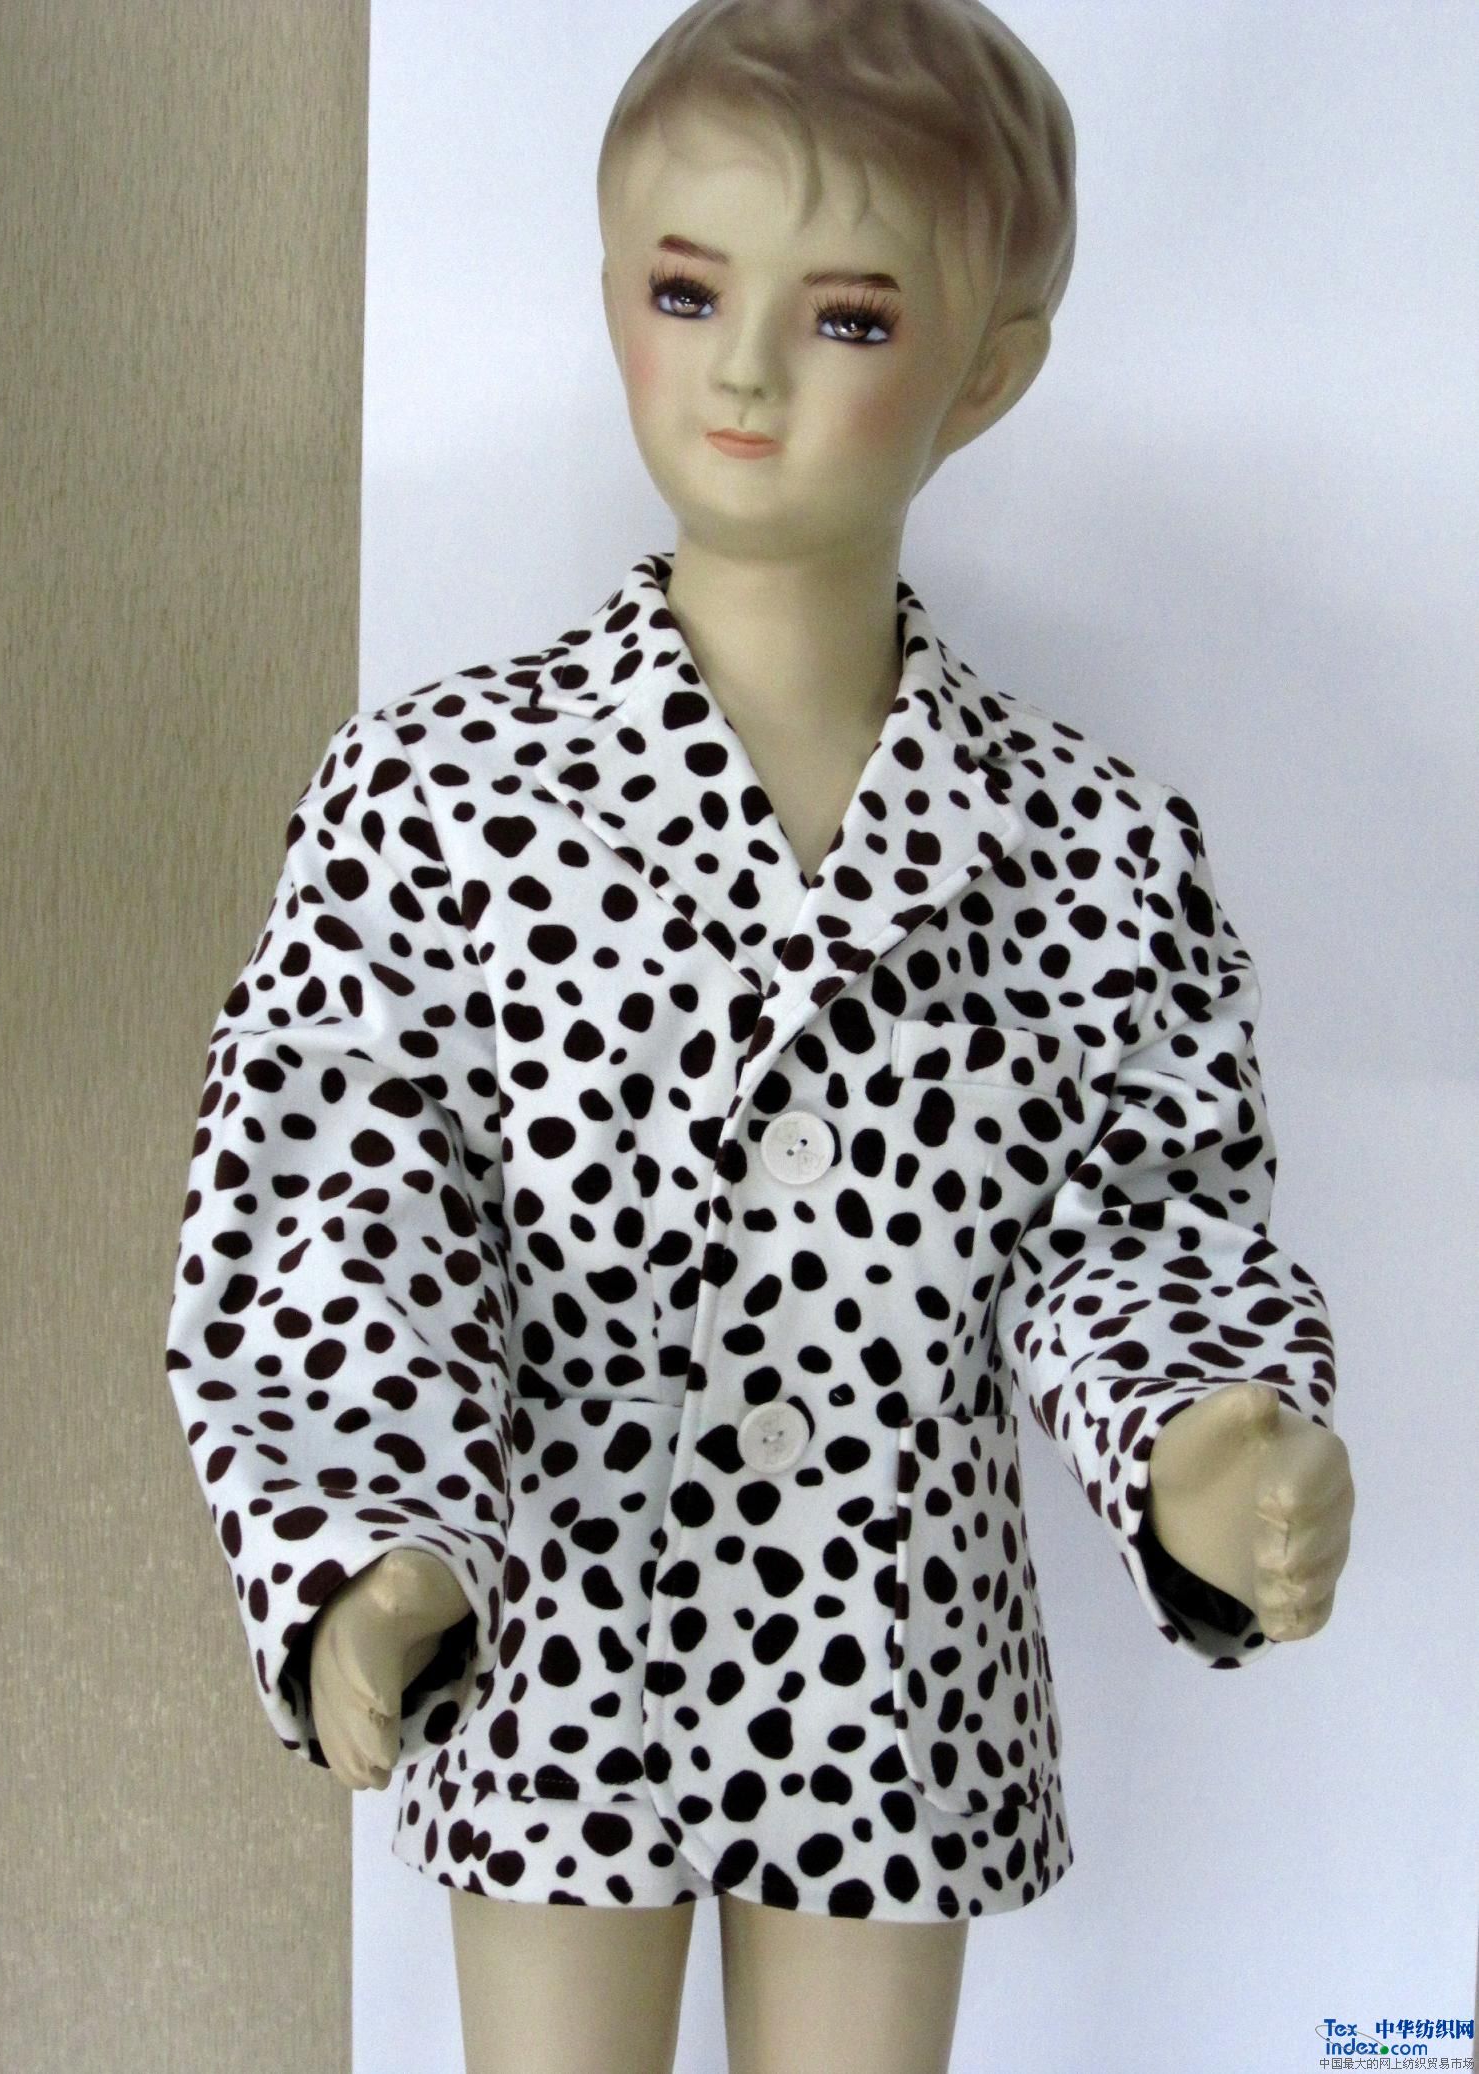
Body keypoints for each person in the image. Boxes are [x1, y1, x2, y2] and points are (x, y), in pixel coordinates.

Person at [164, 4, 1353, 2069]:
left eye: (850, 318)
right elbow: (343, 1194)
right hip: (553, 1639)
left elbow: (1138, 1215)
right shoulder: (443, 795)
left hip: (892, 1653)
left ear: (985, 371)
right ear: (610, 293)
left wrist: (1210, 1434)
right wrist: (370, 1540)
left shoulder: (1084, 843)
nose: (741, 371)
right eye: (687, 290)